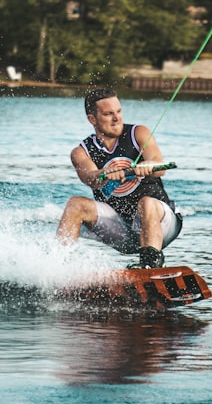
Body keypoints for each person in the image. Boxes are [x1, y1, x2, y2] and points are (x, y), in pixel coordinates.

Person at [56, 88, 182, 269]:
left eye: (119, 112)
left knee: (146, 203)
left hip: (161, 225)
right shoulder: (81, 152)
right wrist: (105, 174)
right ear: (92, 119)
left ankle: (150, 266)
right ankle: (57, 267)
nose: (116, 118)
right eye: (108, 114)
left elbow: (158, 165)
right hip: (122, 230)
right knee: (76, 204)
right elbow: (90, 177)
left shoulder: (138, 133)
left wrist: (147, 166)